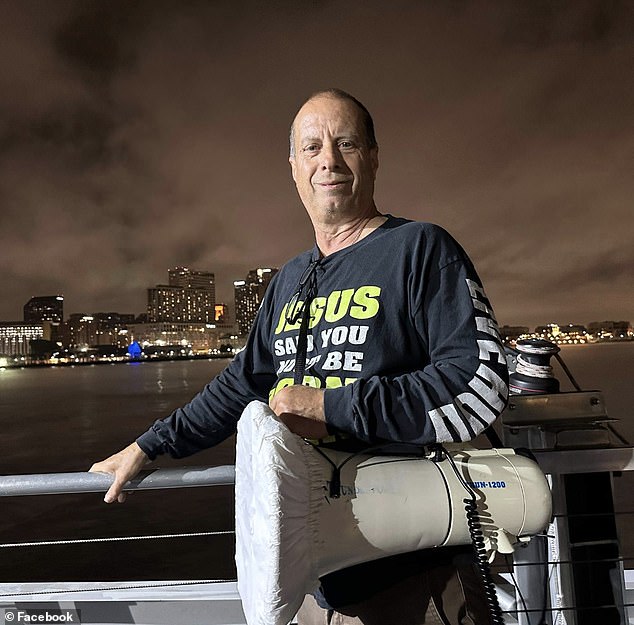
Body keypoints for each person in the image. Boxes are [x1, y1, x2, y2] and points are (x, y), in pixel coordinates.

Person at [91, 89, 509, 624]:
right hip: (313, 579)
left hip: (414, 575)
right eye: (312, 148)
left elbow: (478, 384)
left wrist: (329, 405)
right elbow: (242, 383)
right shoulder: (289, 279)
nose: (329, 161)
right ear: (293, 169)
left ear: (374, 157)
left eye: (346, 143)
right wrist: (150, 445)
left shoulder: (421, 249)